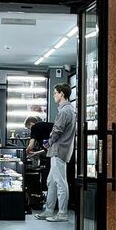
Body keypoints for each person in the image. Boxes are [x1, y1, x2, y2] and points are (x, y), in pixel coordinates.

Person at [37, 83, 76, 222]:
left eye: (55, 93)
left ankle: (62, 213)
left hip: (59, 150)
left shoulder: (65, 111)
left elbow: (57, 130)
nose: (54, 95)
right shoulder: (69, 110)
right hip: (60, 149)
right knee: (52, 181)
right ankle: (49, 210)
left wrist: (48, 142)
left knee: (60, 182)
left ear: (62, 94)